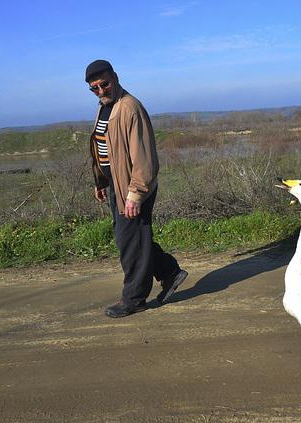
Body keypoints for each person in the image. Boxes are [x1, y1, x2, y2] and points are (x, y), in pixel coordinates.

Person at [85, 59, 188, 318]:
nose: (100, 91)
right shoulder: (105, 107)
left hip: (133, 189)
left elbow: (144, 159)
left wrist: (135, 194)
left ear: (115, 78)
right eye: (94, 88)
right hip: (116, 185)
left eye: (104, 84)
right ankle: (169, 272)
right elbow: (104, 149)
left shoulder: (130, 108)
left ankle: (134, 298)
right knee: (133, 239)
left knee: (129, 242)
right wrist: (101, 181)